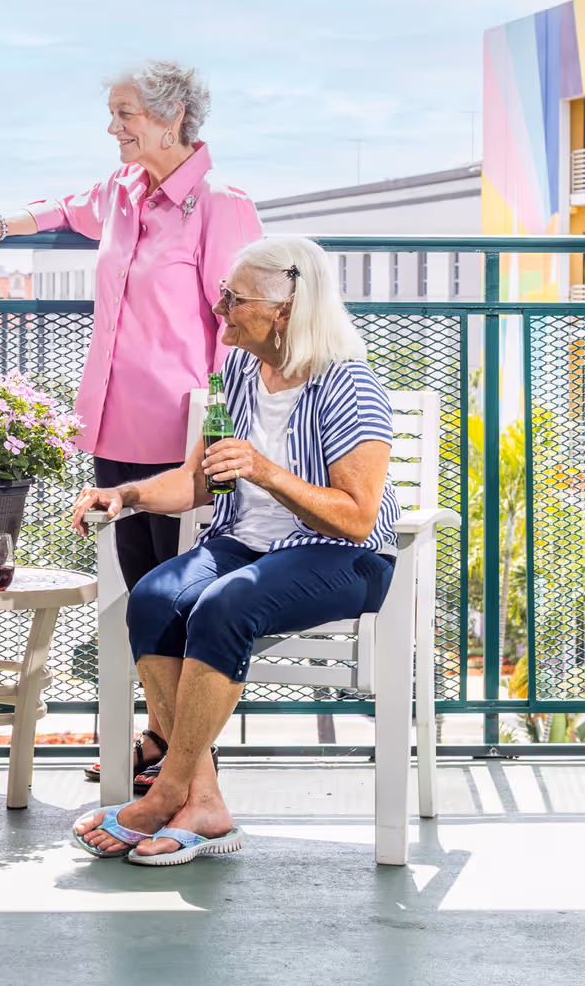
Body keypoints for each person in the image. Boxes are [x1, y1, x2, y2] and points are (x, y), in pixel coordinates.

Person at [0, 61, 262, 789]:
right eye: (115, 114)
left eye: (126, 114)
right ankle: (160, 742)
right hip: (115, 431)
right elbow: (64, 208)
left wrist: (216, 432)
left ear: (173, 114)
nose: (114, 127)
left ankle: (190, 760)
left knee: (185, 595)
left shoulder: (221, 204)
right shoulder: (122, 194)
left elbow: (237, 327)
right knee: (139, 589)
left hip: (184, 441)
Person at [67, 235, 398, 865]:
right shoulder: (240, 371)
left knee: (223, 607)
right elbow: (199, 480)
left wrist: (267, 471)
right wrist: (126, 493)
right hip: (243, 543)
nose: (218, 307)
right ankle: (206, 801)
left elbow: (357, 519)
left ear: (285, 309)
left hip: (339, 558)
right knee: (154, 598)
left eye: (233, 297)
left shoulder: (347, 385)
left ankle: (167, 793)